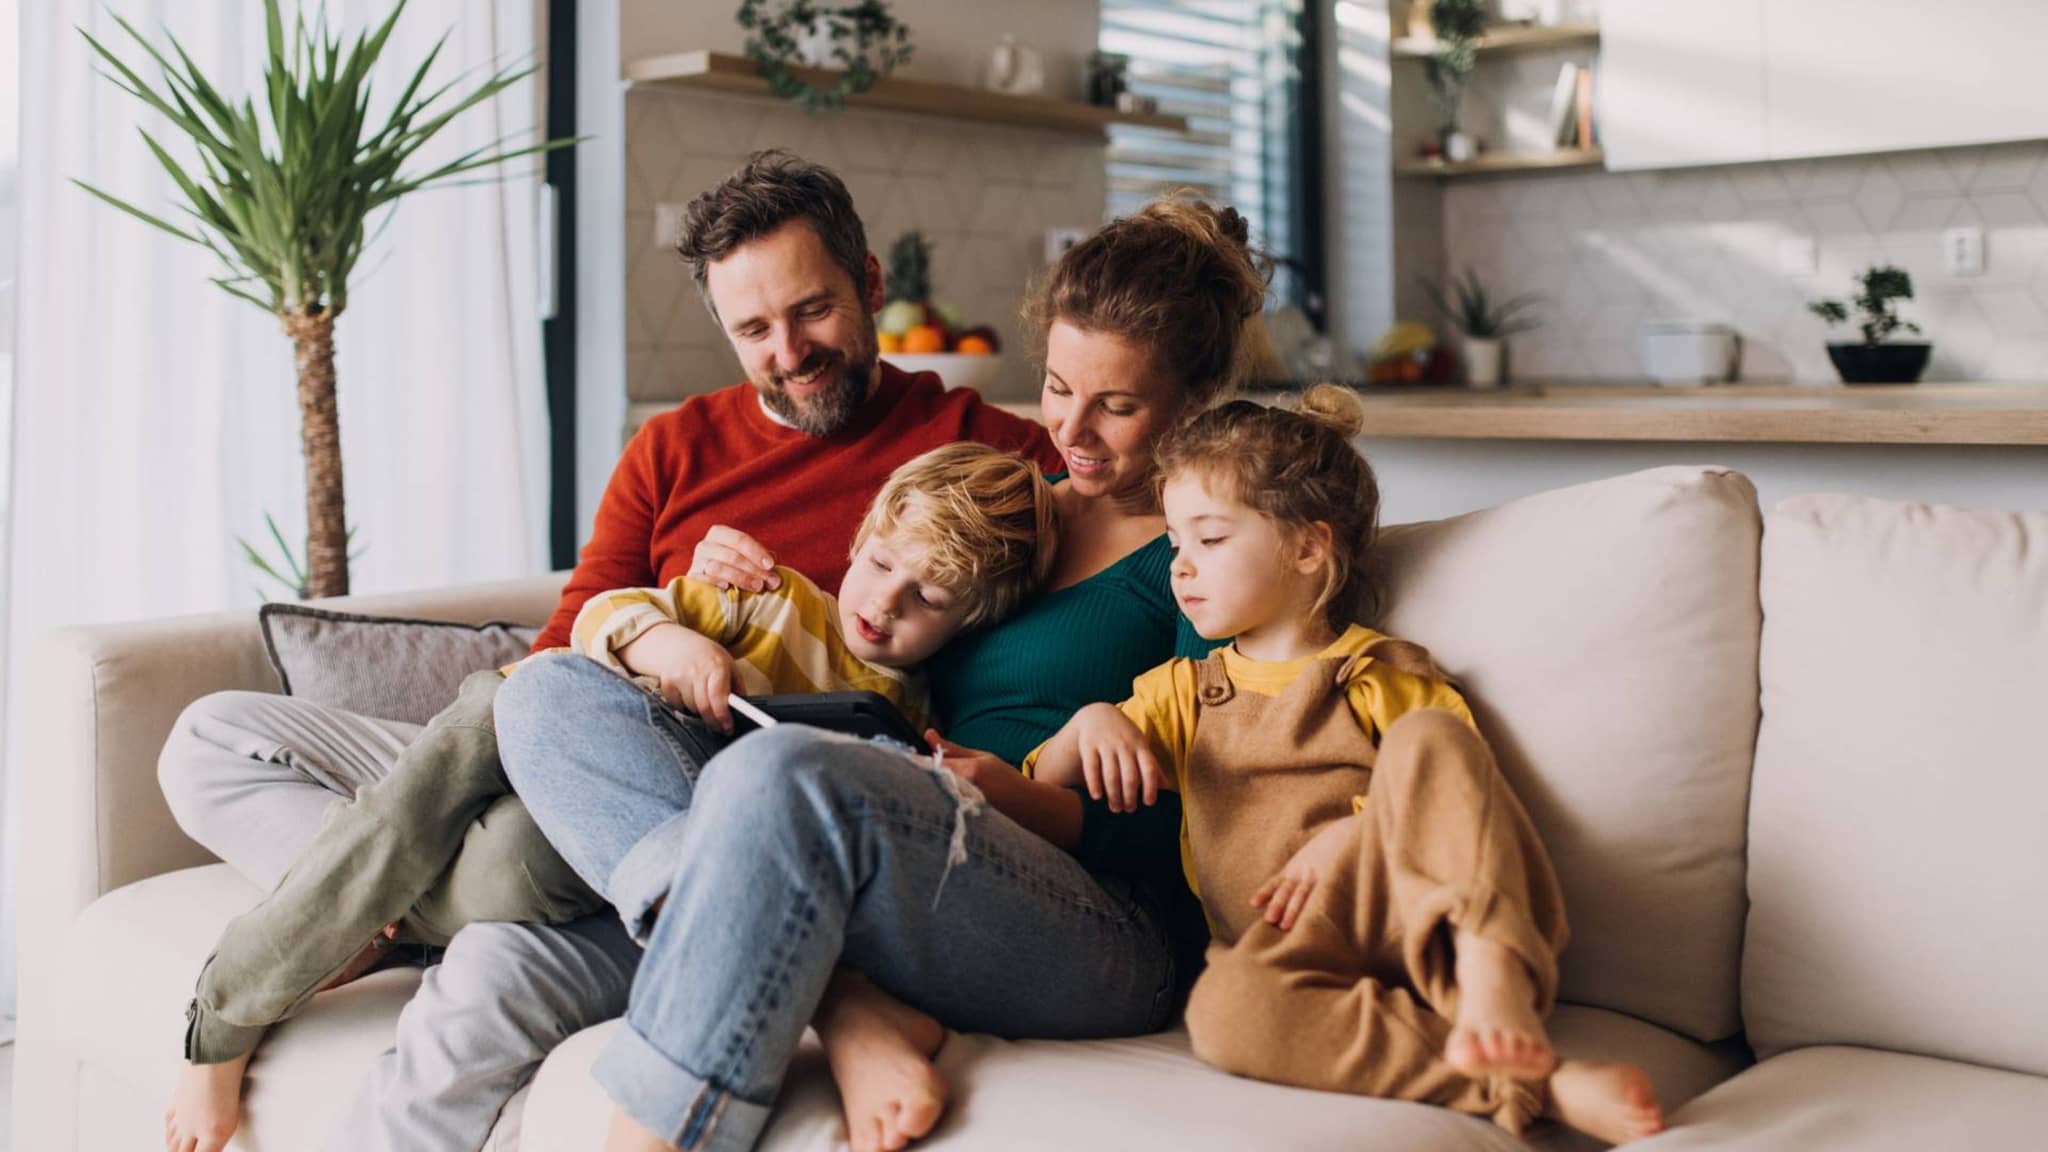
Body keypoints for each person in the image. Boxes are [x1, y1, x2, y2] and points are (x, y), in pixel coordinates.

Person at [155, 149, 1061, 1152]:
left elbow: (1106, 553)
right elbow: (563, 642)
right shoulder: (673, 448)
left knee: (476, 988)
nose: (789, 352)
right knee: (213, 736)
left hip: (696, 823)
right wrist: (660, 625)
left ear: (871, 287)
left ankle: (379, 901)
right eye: (753, 329)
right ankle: (385, 900)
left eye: (812, 313)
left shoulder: (979, 454)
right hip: (569, 739)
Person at [494, 196, 1271, 1152]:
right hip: (919, 855)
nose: (1073, 429)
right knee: (545, 695)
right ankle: (846, 996)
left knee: (779, 775)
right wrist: (707, 610)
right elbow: (874, 632)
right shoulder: (1013, 511)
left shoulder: (1207, 554)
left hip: (1104, 922)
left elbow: (1227, 824)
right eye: (1061, 387)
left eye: (1117, 406)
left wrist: (1035, 799)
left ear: (1192, 403)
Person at [160, 443, 1054, 1152]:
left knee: (506, 857)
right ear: (861, 536)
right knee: (215, 736)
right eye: (880, 564)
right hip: (533, 730)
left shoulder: (907, 722)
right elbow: (605, 615)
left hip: (599, 844)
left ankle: (325, 930)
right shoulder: (771, 600)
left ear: (969, 621)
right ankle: (358, 906)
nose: (884, 602)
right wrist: (670, 645)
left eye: (927, 598)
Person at [1027, 385, 1667, 1145]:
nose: (1182, 568)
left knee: (1431, 736)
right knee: (1222, 1014)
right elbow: (1044, 777)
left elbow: (1460, 790)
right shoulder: (1183, 693)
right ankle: (1533, 1083)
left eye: (1211, 539)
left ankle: (1496, 968)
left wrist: (1354, 837)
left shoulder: (1376, 670)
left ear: (1307, 548)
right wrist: (1091, 720)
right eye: (1175, 543)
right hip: (1287, 954)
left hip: (1412, 919)